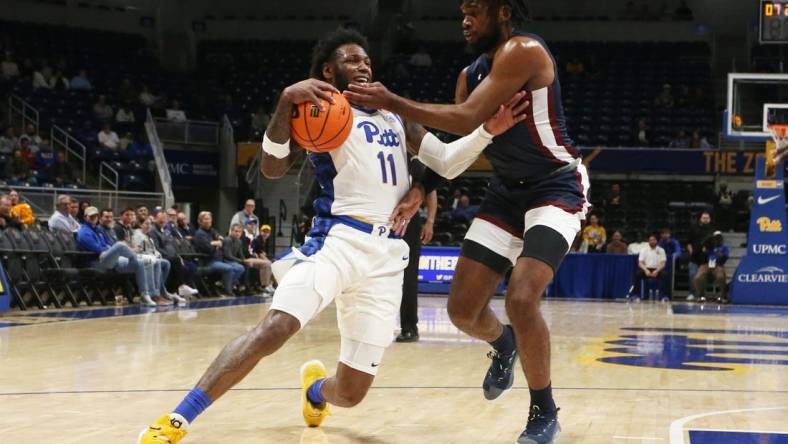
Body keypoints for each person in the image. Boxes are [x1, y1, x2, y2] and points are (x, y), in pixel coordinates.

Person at [138, 27, 523, 443]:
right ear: (328, 69)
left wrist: (487, 131)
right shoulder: (319, 109)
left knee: (352, 393)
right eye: (352, 60)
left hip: (386, 256)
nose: (363, 65)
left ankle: (314, 391)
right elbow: (271, 169)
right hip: (338, 242)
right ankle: (177, 420)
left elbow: (445, 162)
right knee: (275, 327)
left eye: (367, 60)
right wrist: (287, 100)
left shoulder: (396, 115)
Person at [343, 1, 590, 440]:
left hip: (556, 186)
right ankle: (504, 344)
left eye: (475, 10)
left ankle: (543, 410)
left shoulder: (524, 50)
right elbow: (459, 146)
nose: (465, 19)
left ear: (503, 11)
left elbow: (466, 117)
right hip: (505, 193)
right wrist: (422, 187)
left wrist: (392, 102)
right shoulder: (469, 76)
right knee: (460, 311)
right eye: (461, 11)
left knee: (521, 298)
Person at [76, 206, 152, 305]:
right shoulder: (84, 232)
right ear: (85, 218)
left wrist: (110, 249)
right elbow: (98, 249)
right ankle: (134, 257)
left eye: (95, 216)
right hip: (97, 261)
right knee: (120, 245)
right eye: (91, 217)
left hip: (111, 259)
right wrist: (110, 249)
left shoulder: (98, 230)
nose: (94, 218)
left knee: (140, 263)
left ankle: (144, 295)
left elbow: (111, 243)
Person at [397, 188, 437, 343]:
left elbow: (430, 190)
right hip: (382, 217)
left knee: (409, 277)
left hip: (409, 220)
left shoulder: (414, 163)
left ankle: (409, 328)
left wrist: (430, 221)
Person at [131, 217, 184, 305]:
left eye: (150, 224)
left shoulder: (147, 235)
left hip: (150, 257)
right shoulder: (138, 235)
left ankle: (161, 291)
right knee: (155, 262)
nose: (149, 226)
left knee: (166, 263)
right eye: (146, 224)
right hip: (142, 259)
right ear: (140, 225)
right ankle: (153, 294)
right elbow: (140, 250)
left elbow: (152, 249)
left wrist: (157, 254)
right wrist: (153, 255)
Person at [192, 211, 244, 297]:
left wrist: (215, 242)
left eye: (209, 219)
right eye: (206, 219)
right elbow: (208, 249)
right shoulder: (199, 234)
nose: (208, 221)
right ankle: (227, 291)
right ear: (200, 221)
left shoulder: (211, 231)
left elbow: (220, 239)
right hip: (208, 261)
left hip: (219, 260)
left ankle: (224, 285)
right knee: (229, 268)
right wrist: (215, 244)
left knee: (240, 268)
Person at [692, 231, 728, 302]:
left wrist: (719, 255)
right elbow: (698, 257)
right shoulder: (707, 245)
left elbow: (725, 257)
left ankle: (723, 296)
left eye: (719, 237)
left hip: (718, 265)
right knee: (697, 278)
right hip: (706, 264)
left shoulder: (724, 246)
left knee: (721, 277)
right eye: (716, 237)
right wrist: (704, 251)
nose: (717, 238)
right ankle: (701, 295)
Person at [687, 211, 714, 301]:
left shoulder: (712, 230)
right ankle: (691, 293)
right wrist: (691, 252)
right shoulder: (694, 228)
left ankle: (701, 295)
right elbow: (689, 242)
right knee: (692, 275)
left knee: (702, 277)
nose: (705, 220)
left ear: (710, 219)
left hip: (706, 259)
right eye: (704, 218)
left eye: (707, 218)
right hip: (694, 257)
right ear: (700, 219)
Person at [241, 220, 275, 295]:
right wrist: (253, 255)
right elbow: (254, 251)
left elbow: (254, 250)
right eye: (250, 224)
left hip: (252, 257)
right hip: (246, 258)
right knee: (268, 263)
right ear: (246, 225)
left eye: (254, 225)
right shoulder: (244, 235)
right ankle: (265, 285)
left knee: (272, 263)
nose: (252, 226)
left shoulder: (252, 236)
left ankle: (270, 284)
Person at [632, 234, 668, 298]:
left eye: (653, 240)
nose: (652, 241)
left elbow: (663, 263)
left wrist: (657, 271)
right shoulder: (644, 250)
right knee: (637, 274)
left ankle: (663, 296)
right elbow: (640, 263)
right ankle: (636, 295)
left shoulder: (661, 250)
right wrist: (646, 270)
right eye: (650, 240)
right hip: (646, 269)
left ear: (656, 241)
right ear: (648, 241)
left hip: (657, 270)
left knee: (665, 275)